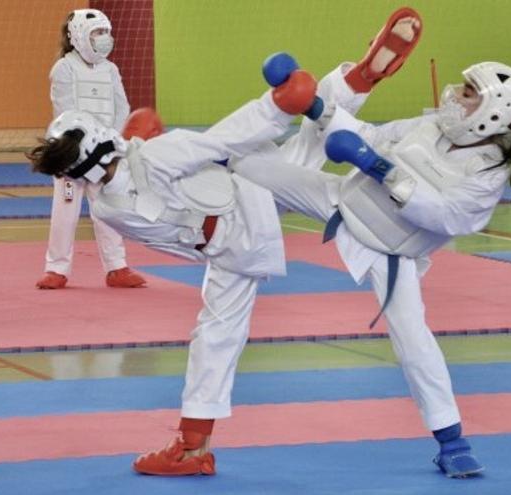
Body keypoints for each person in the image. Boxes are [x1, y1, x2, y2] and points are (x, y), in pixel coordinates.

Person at [231, 52, 511, 478]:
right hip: (341, 200)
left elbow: (449, 216)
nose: (457, 95)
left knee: (413, 339)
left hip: (390, 251)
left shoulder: (486, 173)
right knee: (246, 167)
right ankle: (178, 185)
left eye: (470, 93)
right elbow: (369, 136)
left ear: (494, 114)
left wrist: (379, 169)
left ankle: (452, 440)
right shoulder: (430, 126)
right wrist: (315, 107)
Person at [27, 51, 325, 477]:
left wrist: (138, 145)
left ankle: (192, 446)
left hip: (227, 248)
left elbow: (148, 193)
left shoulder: (108, 210)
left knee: (215, 337)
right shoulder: (153, 157)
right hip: (245, 200)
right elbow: (220, 139)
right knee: (289, 160)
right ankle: (353, 85)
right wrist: (275, 107)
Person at [36, 8, 147, 290]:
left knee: (109, 209)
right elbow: (66, 111)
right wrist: (82, 146)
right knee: (65, 210)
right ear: (78, 37)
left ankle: (116, 267)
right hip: (72, 155)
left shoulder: (111, 69)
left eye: (107, 32)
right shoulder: (64, 68)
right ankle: (56, 268)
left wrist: (112, 142)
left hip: (105, 154)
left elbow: (121, 107)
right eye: (98, 33)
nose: (105, 38)